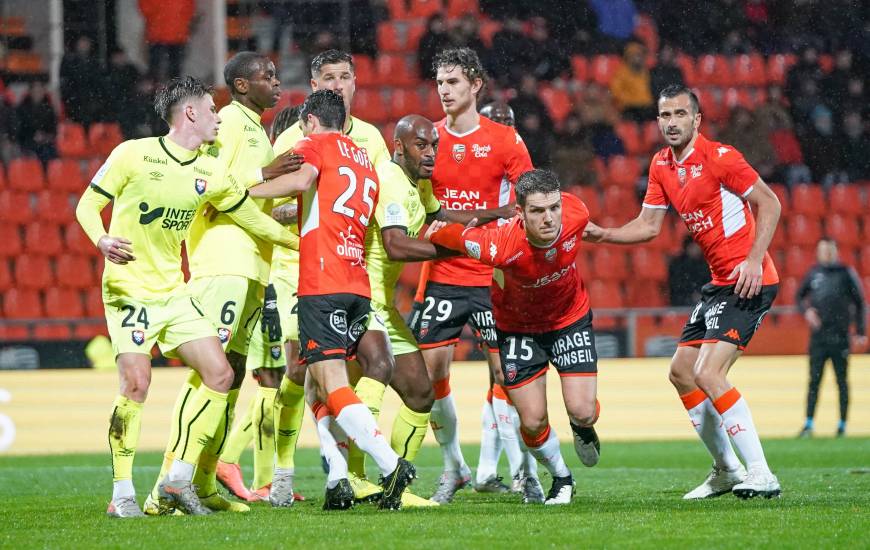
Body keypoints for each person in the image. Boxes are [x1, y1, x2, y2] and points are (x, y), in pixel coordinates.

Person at [74, 76, 299, 518]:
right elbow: (86, 204)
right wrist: (101, 240)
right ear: (191, 113)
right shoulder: (132, 153)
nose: (220, 117)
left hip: (174, 294)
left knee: (219, 374)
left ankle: (177, 478)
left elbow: (253, 219)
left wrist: (304, 246)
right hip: (128, 288)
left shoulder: (209, 170)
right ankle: (122, 494)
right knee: (137, 383)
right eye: (212, 110)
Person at [583, 84, 784, 500]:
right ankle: (727, 470)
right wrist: (604, 235)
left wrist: (753, 258)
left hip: (750, 279)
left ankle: (762, 473)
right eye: (664, 116)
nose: (671, 123)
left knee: (709, 372)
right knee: (680, 372)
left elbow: (771, 203)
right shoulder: (661, 165)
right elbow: (649, 226)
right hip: (719, 285)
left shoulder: (720, 157)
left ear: (697, 119)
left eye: (679, 114)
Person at [143, 53, 304, 514]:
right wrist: (268, 186)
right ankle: (164, 487)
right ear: (239, 85)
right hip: (223, 264)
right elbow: (213, 191)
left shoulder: (254, 127)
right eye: (266, 77)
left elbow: (253, 200)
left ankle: (206, 482)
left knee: (229, 382)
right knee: (208, 375)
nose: (276, 83)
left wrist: (291, 223)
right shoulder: (229, 122)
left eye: (276, 75)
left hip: (254, 267)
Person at [247, 89, 416, 510]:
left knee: (334, 384)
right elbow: (324, 202)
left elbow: (302, 180)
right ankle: (338, 478)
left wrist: (249, 190)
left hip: (322, 282)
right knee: (317, 384)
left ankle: (390, 463)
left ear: (308, 121)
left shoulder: (314, 143)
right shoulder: (365, 161)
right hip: (358, 284)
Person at [429, 169, 601, 505]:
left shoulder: (577, 212)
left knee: (583, 411)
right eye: (537, 211)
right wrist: (433, 233)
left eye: (553, 208)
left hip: (569, 319)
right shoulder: (497, 244)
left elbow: (585, 225)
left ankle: (582, 429)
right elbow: (449, 237)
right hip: (518, 329)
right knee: (533, 422)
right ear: (520, 213)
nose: (549, 218)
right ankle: (562, 478)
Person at [409, 47, 534, 504]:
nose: (444, 91)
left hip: (490, 273)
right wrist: (475, 218)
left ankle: (522, 471)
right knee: (431, 372)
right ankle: (453, 466)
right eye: (440, 82)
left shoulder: (505, 140)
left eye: (454, 82)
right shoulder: (428, 139)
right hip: (442, 271)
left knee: (504, 372)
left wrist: (479, 224)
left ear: (476, 85)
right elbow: (421, 207)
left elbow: (527, 200)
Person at [796, 238, 866, 438]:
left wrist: (861, 332)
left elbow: (860, 303)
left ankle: (842, 425)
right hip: (818, 338)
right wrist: (807, 311)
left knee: (841, 381)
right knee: (814, 381)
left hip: (840, 336)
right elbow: (799, 297)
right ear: (818, 252)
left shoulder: (845, 273)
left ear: (836, 252)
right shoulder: (813, 273)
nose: (826, 253)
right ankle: (808, 424)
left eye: (829, 250)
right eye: (823, 250)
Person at [668, 236, 711, 307]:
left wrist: (701, 295)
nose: (695, 250)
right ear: (686, 248)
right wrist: (691, 296)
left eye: (697, 246)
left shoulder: (707, 263)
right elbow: (676, 287)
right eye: (692, 247)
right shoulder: (677, 265)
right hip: (682, 303)